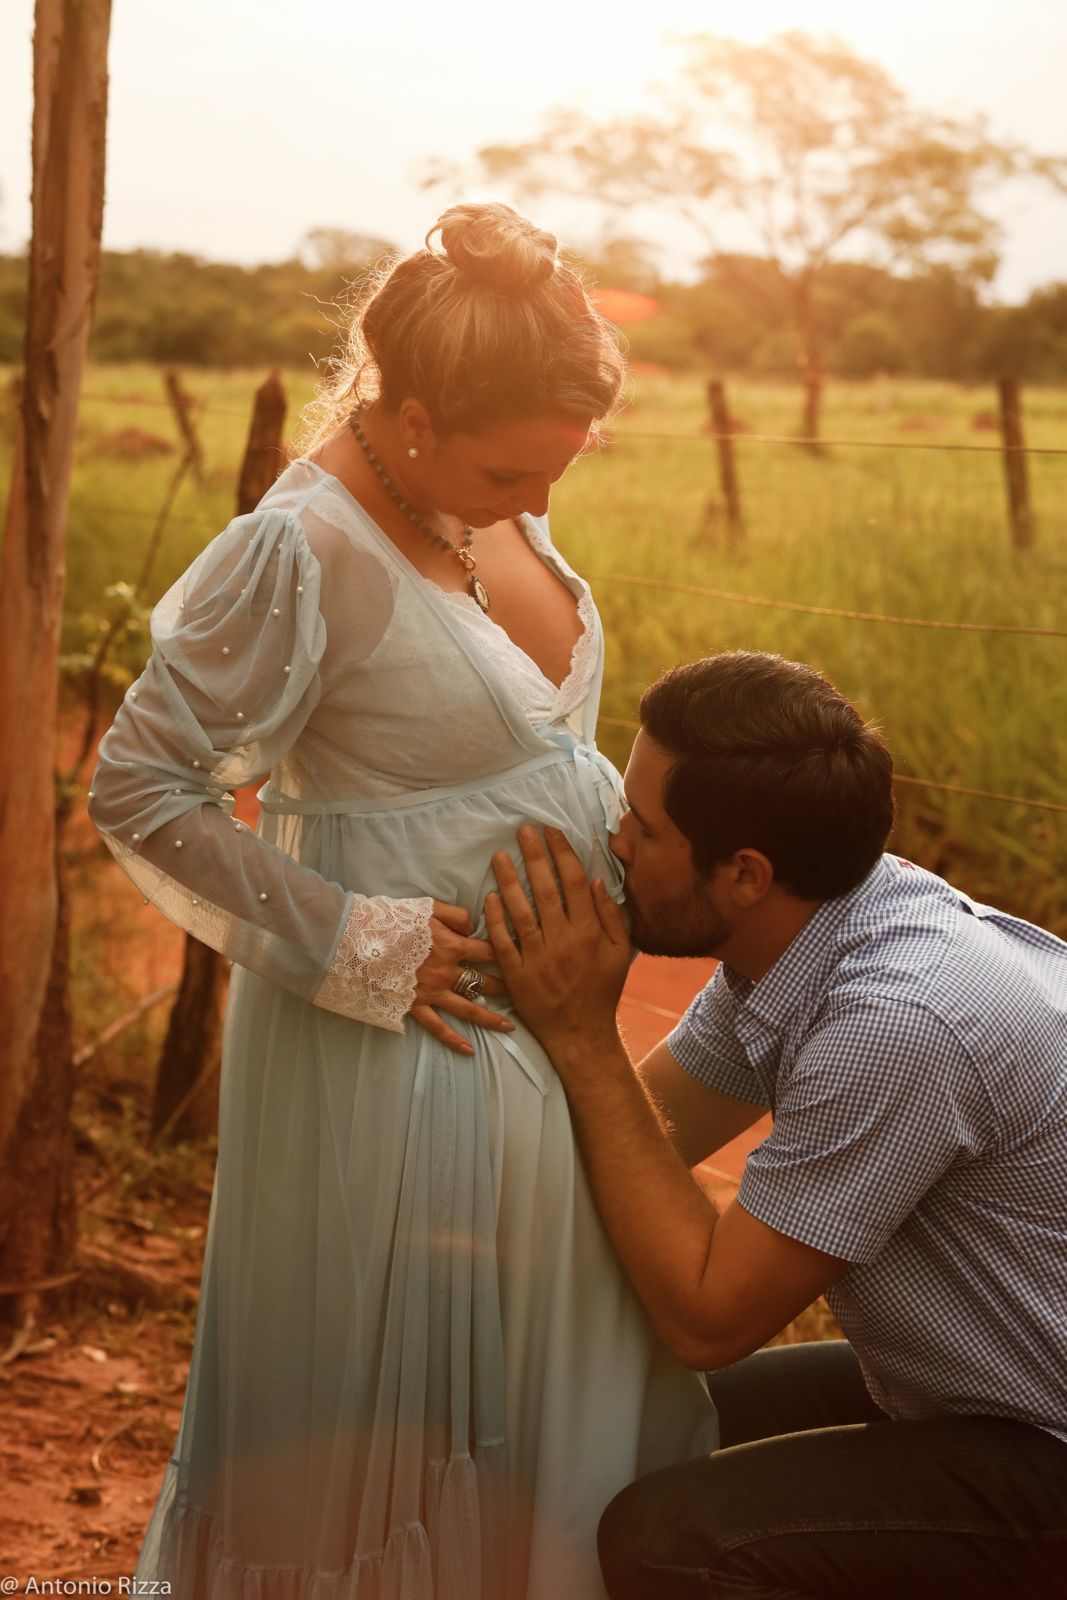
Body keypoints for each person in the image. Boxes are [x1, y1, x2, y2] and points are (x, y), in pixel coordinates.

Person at [88, 204, 717, 1600]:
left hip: (548, 1048)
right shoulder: (299, 549)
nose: (539, 504)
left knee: (547, 1428)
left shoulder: (457, 494)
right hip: (398, 1065)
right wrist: (354, 941)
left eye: (560, 468)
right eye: (514, 470)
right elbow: (139, 786)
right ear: (415, 417)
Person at [485, 649, 1067, 1598]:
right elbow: (650, 1137)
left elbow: (709, 1318)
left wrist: (584, 1036)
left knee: (670, 1539)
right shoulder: (810, 937)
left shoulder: (897, 1020)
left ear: (744, 873)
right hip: (972, 1392)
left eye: (643, 827)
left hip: (1043, 1439)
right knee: (637, 1417)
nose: (613, 840)